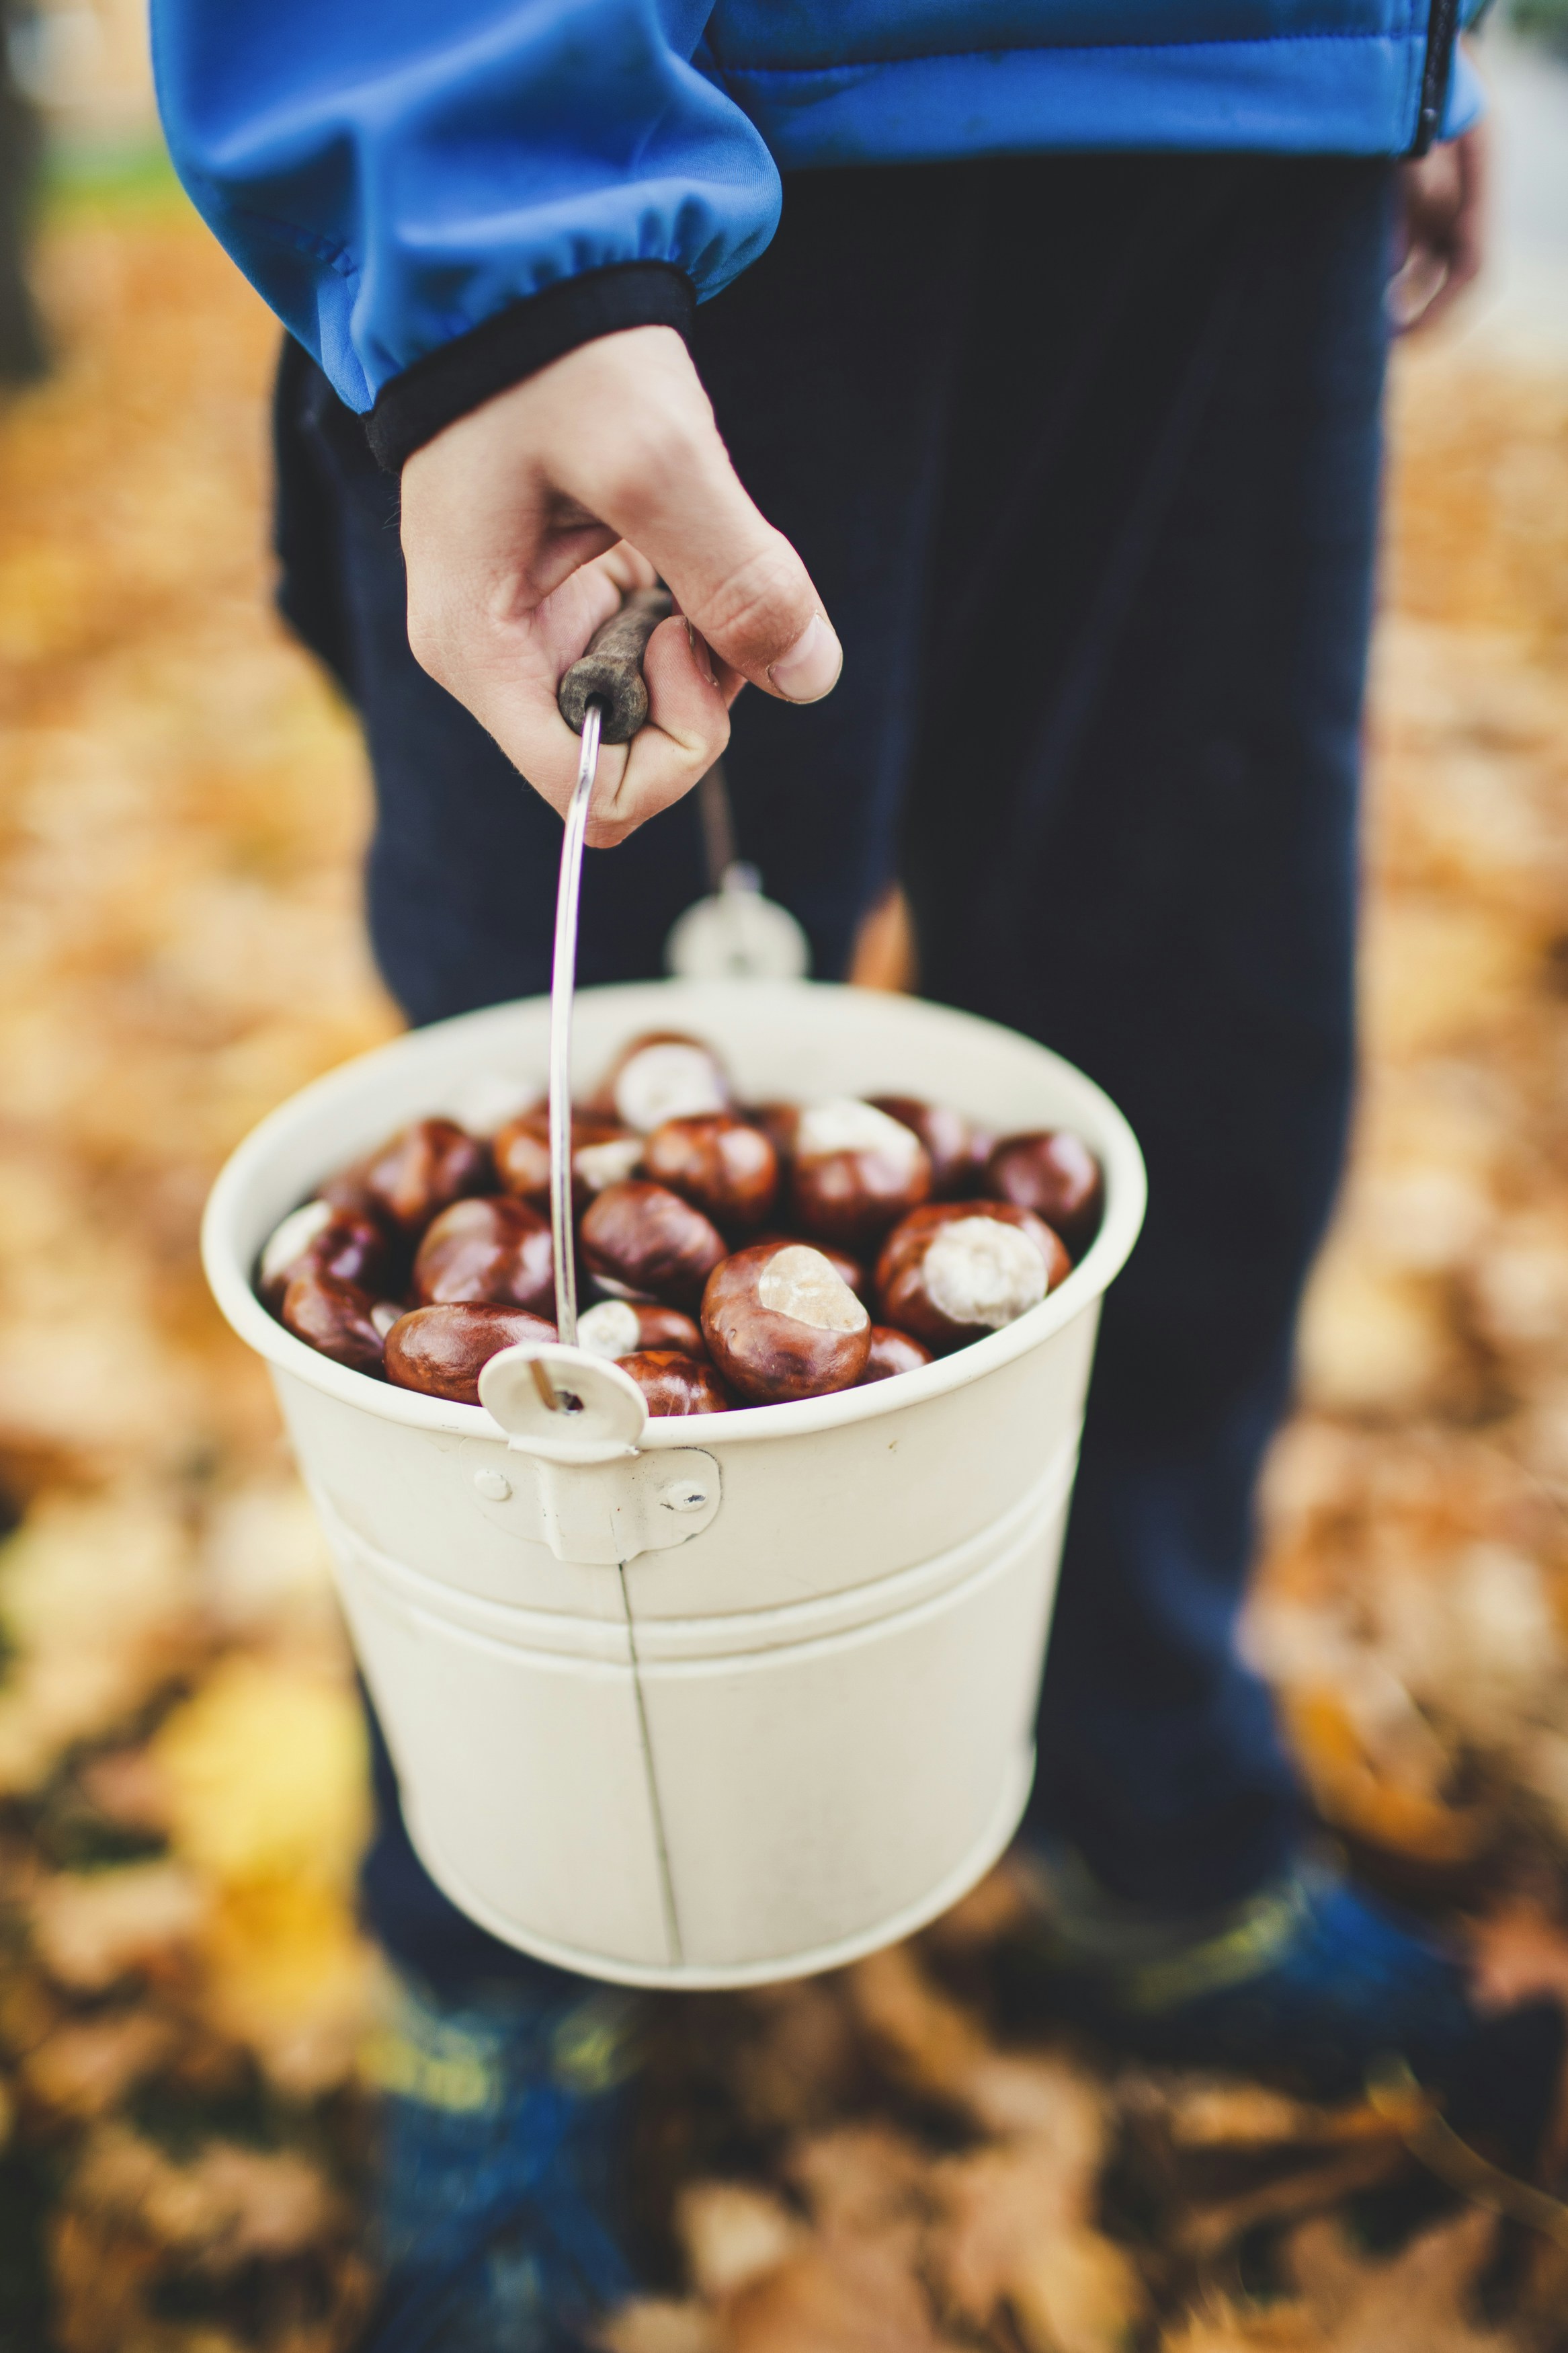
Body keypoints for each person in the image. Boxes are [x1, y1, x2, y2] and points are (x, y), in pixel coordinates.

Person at [153, 7, 1559, 2345]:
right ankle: (505, 1942)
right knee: (549, 1120)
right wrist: (477, 188)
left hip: (1248, 102)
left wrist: (1405, 48)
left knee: (1194, 1048)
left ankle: (1144, 1805)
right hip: (679, 116)